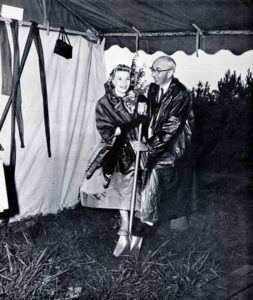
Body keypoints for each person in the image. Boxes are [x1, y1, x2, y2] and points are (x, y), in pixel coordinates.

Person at [81, 64, 147, 236]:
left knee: (144, 183)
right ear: (112, 80)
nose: (124, 83)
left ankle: (140, 216)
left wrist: (142, 102)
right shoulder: (104, 104)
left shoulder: (137, 96)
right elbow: (108, 131)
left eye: (127, 79)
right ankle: (125, 223)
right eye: (119, 79)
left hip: (139, 146)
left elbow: (147, 109)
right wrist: (133, 123)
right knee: (122, 187)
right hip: (118, 150)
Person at [136, 56, 194, 233]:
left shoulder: (181, 93)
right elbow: (142, 95)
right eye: (152, 70)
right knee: (152, 178)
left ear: (170, 73)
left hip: (174, 145)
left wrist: (149, 146)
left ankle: (178, 226)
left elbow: (172, 125)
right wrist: (141, 100)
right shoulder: (153, 88)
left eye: (157, 70)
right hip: (157, 142)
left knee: (172, 183)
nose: (153, 74)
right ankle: (147, 220)